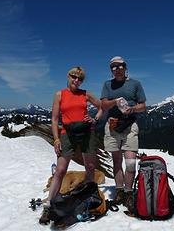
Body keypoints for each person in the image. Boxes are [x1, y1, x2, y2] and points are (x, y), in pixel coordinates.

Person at [39, 66, 103, 225]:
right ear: (68, 77)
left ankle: (86, 199)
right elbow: (54, 119)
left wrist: (95, 119)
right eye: (74, 77)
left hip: (86, 132)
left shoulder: (85, 94)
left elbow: (101, 106)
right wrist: (56, 139)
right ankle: (49, 206)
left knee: (89, 166)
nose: (76, 80)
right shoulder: (59, 94)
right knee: (60, 170)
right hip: (67, 133)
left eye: (80, 78)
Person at [100, 56, 146, 211]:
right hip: (112, 125)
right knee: (117, 161)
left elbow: (143, 106)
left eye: (119, 66)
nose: (116, 69)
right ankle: (120, 191)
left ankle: (128, 192)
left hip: (130, 125)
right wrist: (116, 101)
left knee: (131, 162)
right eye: (113, 67)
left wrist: (132, 109)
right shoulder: (107, 85)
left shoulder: (135, 84)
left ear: (125, 67)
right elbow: (104, 105)